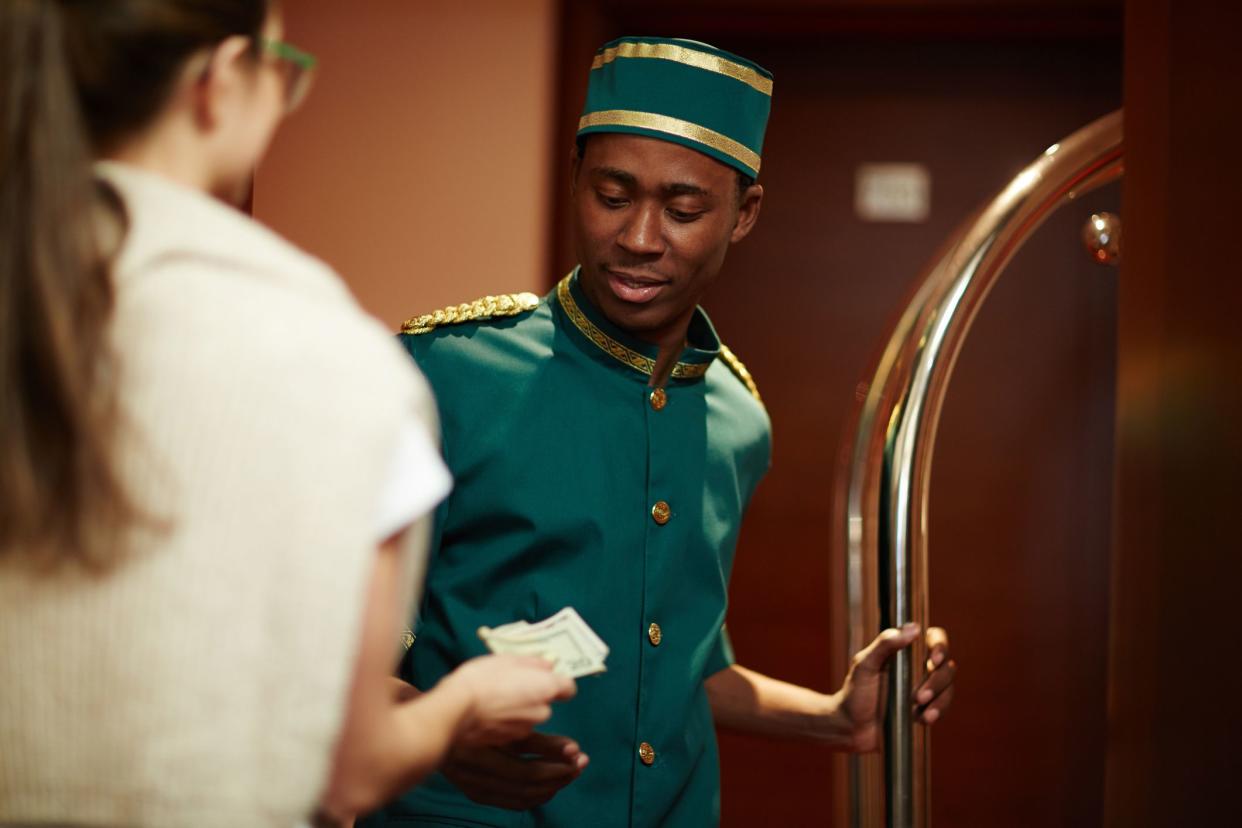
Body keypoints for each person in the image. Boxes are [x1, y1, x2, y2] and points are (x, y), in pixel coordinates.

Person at [0, 2, 572, 826]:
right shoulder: (341, 361)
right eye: (282, 66)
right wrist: (461, 705)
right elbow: (347, 772)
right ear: (219, 79)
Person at [363, 36, 957, 827]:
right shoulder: (445, 374)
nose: (641, 238)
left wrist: (835, 717)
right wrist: (429, 735)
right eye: (612, 195)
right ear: (574, 179)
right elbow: (321, 643)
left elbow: (679, 668)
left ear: (744, 215)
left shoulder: (738, 420)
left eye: (683, 210)